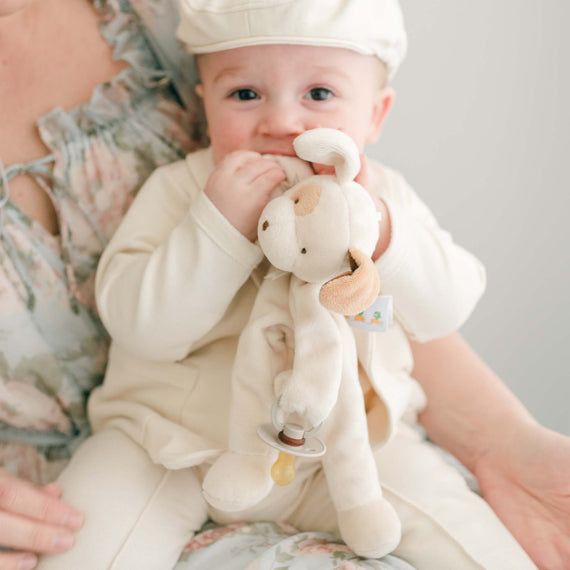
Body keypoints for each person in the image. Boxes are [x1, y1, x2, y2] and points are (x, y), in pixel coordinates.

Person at [0, 0, 568, 569]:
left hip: (347, 449)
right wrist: (216, 230)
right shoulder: (181, 190)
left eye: (319, 95)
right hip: (168, 445)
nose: (281, 122)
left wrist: (384, 235)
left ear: (376, 113)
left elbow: (446, 305)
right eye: (244, 94)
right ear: (204, 104)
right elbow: (141, 326)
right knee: (83, 539)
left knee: (469, 537)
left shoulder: (383, 199)